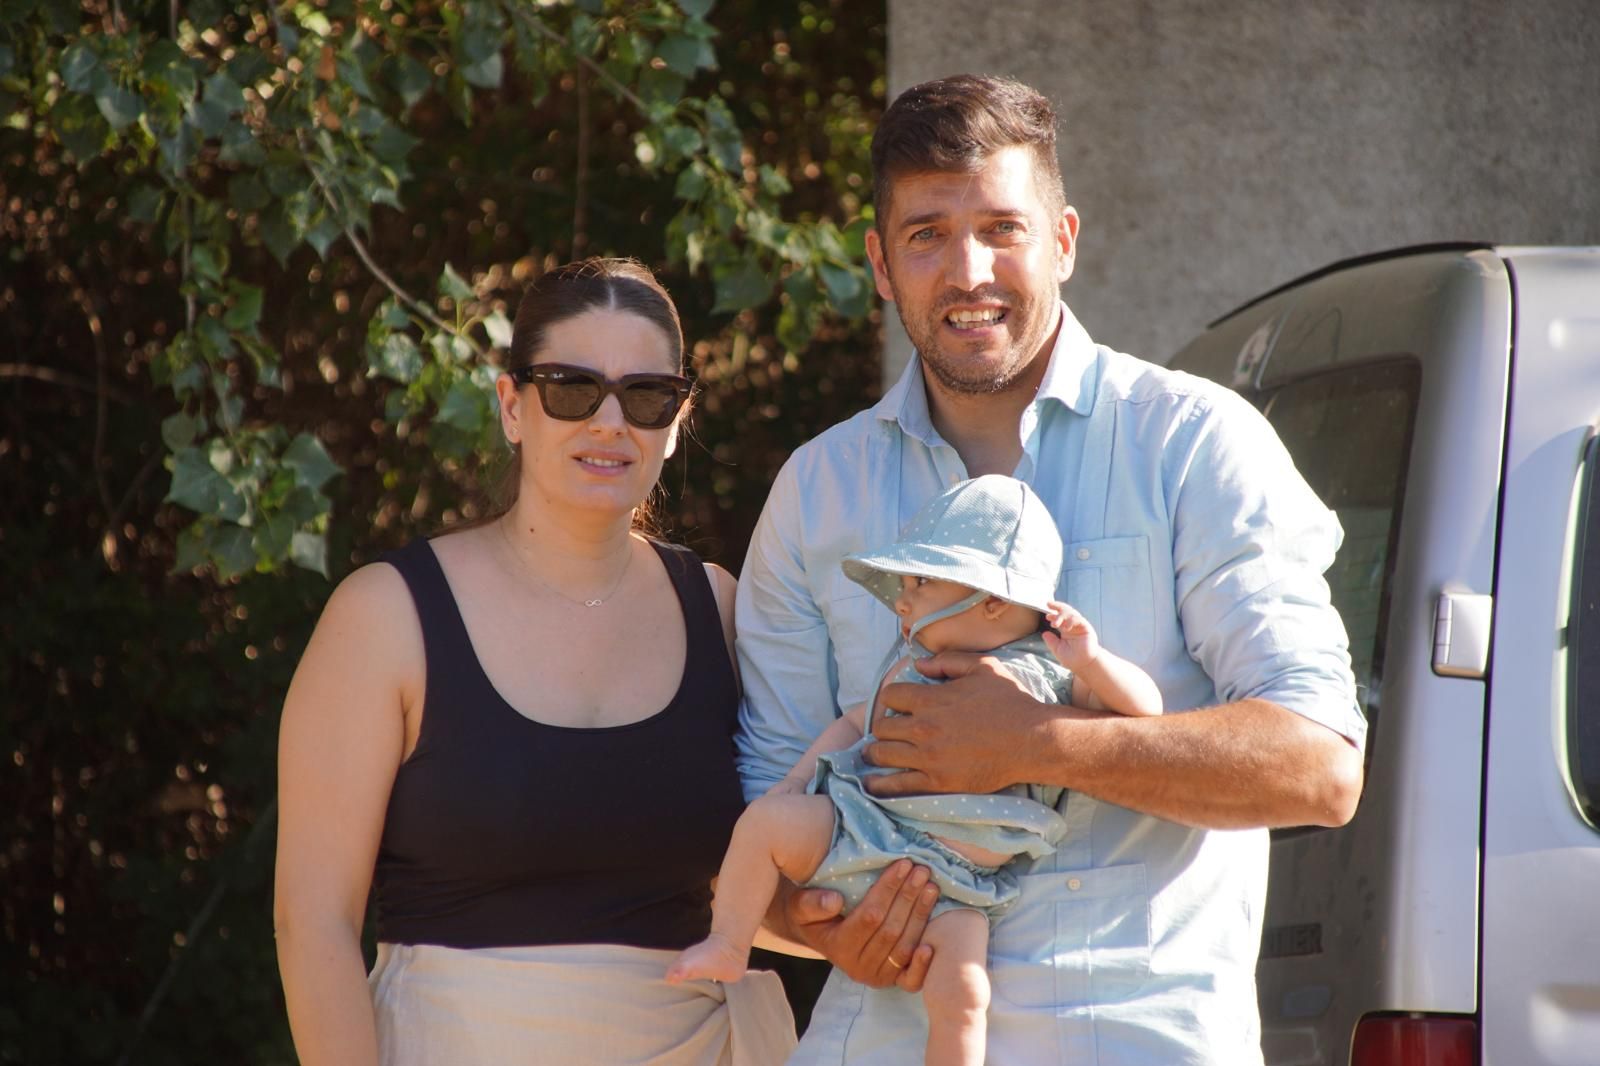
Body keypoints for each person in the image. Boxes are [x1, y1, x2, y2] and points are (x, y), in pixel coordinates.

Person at [734, 74, 1368, 1064]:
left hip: (1135, 1036)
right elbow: (767, 826)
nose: (967, 269)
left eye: (1001, 227)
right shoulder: (815, 493)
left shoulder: (1193, 445)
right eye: (926, 234)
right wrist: (820, 922)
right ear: (879, 261)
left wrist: (1040, 743)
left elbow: (1319, 765)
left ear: (1063, 240)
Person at [273, 258, 796, 1066]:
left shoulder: (725, 613)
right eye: (571, 387)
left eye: (647, 395)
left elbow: (778, 877)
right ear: (513, 406)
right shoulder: (385, 616)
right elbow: (314, 923)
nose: (609, 422)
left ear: (678, 417)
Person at [669, 475, 1162, 1066]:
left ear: (994, 600)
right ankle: (727, 944)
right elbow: (856, 723)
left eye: (921, 582)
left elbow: (1144, 711)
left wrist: (1094, 660)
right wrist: (797, 782)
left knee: (964, 992)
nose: (902, 601)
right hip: (858, 830)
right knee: (766, 822)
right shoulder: (910, 664)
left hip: (955, 890)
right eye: (904, 584)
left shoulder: (1047, 677)